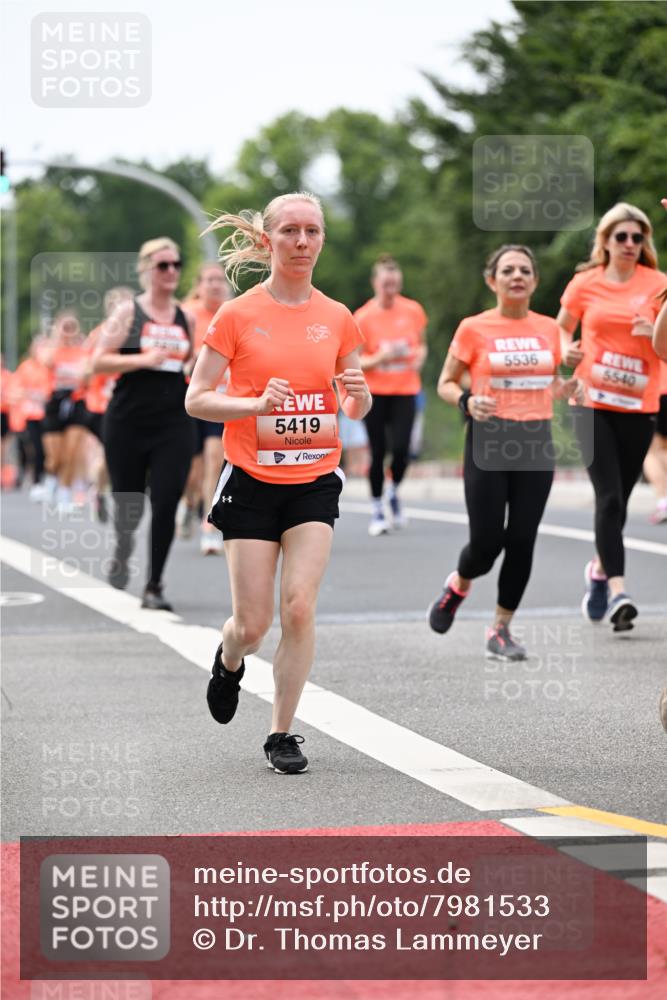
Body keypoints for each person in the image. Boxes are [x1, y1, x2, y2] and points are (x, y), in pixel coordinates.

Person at [185, 192, 370, 774]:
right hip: (251, 480)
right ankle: (230, 658)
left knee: (298, 608)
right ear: (267, 241)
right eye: (290, 231)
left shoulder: (338, 317)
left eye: (312, 231)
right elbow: (196, 399)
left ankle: (282, 734)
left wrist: (359, 400)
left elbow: (351, 404)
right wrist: (253, 403)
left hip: (314, 479)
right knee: (254, 623)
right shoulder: (238, 314)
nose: (302, 242)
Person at [427, 245, 581, 661]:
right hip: (488, 439)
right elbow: (445, 381)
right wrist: (465, 400)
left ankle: (500, 629)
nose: (517, 275)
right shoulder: (473, 327)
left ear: (535, 281)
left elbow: (544, 383)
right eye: (508, 269)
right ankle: (459, 583)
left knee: (523, 540)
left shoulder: (549, 328)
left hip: (535, 440)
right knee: (486, 542)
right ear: (491, 280)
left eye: (525, 270)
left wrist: (563, 389)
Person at [557, 203, 667, 631]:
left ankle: (598, 571)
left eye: (637, 238)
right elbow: (561, 327)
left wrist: (653, 333)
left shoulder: (658, 284)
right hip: (591, 400)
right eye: (621, 237)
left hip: (639, 404)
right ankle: (619, 589)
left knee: (619, 499)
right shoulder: (586, 283)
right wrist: (565, 348)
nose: (629, 245)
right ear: (605, 240)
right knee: (608, 496)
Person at [93, 238, 194, 611]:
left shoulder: (188, 317)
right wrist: (143, 359)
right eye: (162, 265)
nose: (170, 272)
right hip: (128, 421)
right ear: (146, 269)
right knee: (129, 505)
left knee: (167, 501)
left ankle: (154, 585)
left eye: (175, 264)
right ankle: (122, 547)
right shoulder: (128, 313)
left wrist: (195, 369)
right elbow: (97, 362)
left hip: (173, 423)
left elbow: (192, 362)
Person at [355, 256, 427, 535]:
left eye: (395, 282)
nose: (390, 287)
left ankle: (393, 492)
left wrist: (420, 356)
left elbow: (421, 344)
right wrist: (379, 358)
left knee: (402, 450)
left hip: (406, 389)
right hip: (375, 393)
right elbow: (354, 362)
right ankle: (376, 509)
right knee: (378, 450)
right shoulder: (362, 317)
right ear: (376, 283)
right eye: (386, 283)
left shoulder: (413, 310)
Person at [178, 263, 231, 554]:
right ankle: (188, 503)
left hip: (218, 398)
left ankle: (209, 524)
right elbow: (176, 353)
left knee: (215, 458)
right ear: (199, 285)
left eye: (219, 280)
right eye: (208, 280)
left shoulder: (231, 312)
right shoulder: (186, 314)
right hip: (188, 398)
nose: (214, 285)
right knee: (192, 471)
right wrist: (192, 359)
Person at [80, 286, 134, 522]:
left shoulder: (140, 334)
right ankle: (99, 491)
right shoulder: (99, 334)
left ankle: (105, 490)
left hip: (131, 405)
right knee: (108, 452)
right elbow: (86, 370)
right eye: (119, 306)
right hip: (102, 404)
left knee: (125, 454)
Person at [40, 312, 88, 511]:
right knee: (55, 458)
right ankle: (51, 481)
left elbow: (87, 375)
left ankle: (65, 494)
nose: (68, 331)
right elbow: (46, 361)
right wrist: (57, 336)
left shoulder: (82, 349)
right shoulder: (51, 348)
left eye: (71, 327)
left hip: (76, 401)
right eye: (64, 327)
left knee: (71, 453)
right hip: (55, 401)